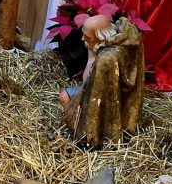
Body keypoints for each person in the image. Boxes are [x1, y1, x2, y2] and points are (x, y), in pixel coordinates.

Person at [58, 14, 144, 147]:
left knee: (65, 97)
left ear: (100, 37)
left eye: (87, 37)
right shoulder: (116, 44)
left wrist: (92, 57)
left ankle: (84, 136)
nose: (82, 39)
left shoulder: (106, 58)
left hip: (104, 100)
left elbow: (90, 86)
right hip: (104, 94)